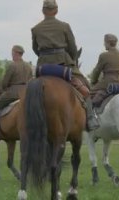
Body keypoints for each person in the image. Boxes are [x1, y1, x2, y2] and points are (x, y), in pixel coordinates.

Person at [31, 0, 99, 131]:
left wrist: (45, 55)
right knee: (85, 87)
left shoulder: (36, 29)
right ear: (56, 10)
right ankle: (91, 118)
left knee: (30, 88)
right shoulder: (65, 26)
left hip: (43, 66)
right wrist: (72, 59)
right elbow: (73, 48)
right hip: (64, 63)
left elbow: (35, 49)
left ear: (43, 11)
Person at [0, 45, 33, 138]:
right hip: (25, 92)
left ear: (16, 53)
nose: (12, 55)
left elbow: (5, 82)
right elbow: (30, 80)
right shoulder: (28, 66)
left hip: (13, 92)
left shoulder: (12, 65)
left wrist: (4, 88)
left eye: (12, 53)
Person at [90, 34, 119, 107]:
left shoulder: (104, 55)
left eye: (105, 42)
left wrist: (93, 81)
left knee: (87, 93)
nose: (104, 44)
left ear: (108, 43)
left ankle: (91, 115)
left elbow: (97, 71)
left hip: (107, 83)